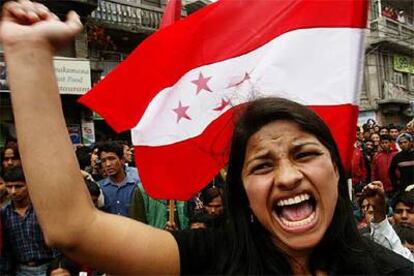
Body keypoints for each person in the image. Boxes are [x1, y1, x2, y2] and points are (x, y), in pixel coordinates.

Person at [1, 1, 413, 274]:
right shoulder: (214, 258)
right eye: (262, 165)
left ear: (335, 167)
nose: (287, 177)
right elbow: (73, 229)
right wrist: (28, 57)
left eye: (304, 154)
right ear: (242, 190)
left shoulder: (392, 271)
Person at [0, 167, 57, 275]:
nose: (13, 191)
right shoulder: (4, 213)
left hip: (48, 267)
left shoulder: (43, 209)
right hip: (20, 270)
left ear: (29, 185)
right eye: (9, 187)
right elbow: (6, 250)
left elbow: (57, 241)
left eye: (18, 186)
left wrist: (57, 265)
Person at [96, 141, 146, 221]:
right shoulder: (99, 188)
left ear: (122, 160)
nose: (108, 164)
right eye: (103, 161)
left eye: (112, 159)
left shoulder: (138, 185)